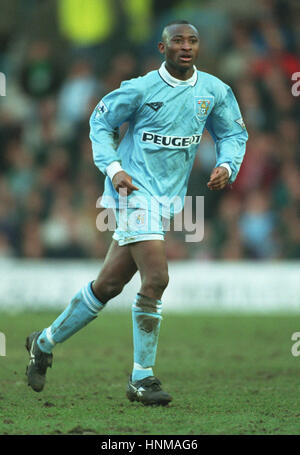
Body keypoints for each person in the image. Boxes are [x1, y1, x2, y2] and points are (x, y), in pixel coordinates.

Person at [25, 20, 248, 406]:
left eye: (192, 41)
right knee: (157, 279)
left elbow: (233, 134)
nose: (186, 47)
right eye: (177, 40)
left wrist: (228, 166)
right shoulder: (141, 89)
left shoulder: (214, 90)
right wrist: (114, 169)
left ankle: (43, 342)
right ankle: (141, 379)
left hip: (166, 201)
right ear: (162, 48)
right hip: (132, 193)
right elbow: (100, 121)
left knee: (108, 286)